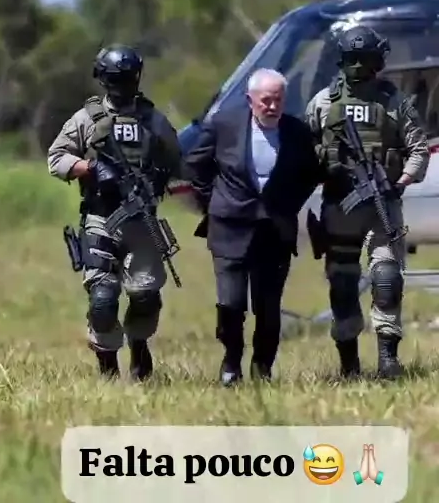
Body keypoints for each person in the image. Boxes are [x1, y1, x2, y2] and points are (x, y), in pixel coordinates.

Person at [47, 45, 183, 381]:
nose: (122, 85)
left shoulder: (152, 120)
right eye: (115, 79)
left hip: (142, 220)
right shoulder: (87, 119)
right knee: (103, 298)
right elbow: (56, 158)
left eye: (127, 78)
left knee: (145, 295)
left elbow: (178, 161)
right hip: (101, 217)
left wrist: (159, 178)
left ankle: (139, 345)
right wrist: (90, 168)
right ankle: (107, 364)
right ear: (103, 79)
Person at [305, 24, 430, 379]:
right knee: (343, 285)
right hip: (340, 205)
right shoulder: (324, 103)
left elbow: (418, 150)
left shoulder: (393, 101)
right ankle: (350, 365)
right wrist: (326, 165)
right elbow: (304, 150)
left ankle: (388, 360)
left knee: (387, 280)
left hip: (382, 205)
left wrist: (399, 182)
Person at [184, 68, 321, 386]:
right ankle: (231, 362)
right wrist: (212, 201)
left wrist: (288, 204)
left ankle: (263, 368)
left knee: (268, 308)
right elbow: (194, 165)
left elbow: (311, 174)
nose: (272, 106)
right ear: (250, 99)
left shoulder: (297, 132)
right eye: (265, 100)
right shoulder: (224, 124)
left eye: (278, 100)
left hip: (274, 230)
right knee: (230, 304)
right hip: (229, 227)